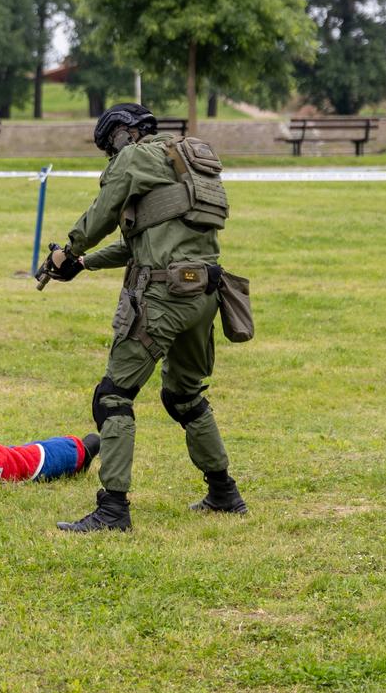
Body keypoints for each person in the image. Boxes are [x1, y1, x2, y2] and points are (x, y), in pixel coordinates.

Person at [39, 103, 247, 531]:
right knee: (184, 397)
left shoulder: (134, 159)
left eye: (107, 146)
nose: (109, 156)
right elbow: (141, 243)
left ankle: (112, 509)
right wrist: (85, 265)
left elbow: (100, 215)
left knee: (113, 397)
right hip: (204, 292)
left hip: (162, 296)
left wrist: (68, 251)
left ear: (120, 133)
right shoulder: (182, 160)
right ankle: (224, 493)